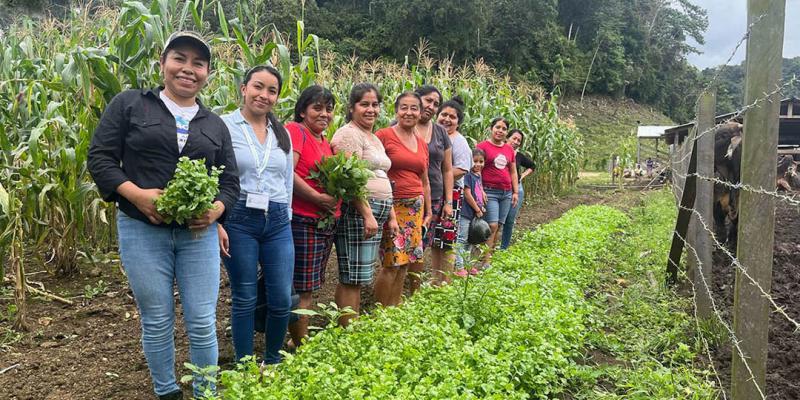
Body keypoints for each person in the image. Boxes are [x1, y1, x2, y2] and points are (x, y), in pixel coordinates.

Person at [87, 32, 239, 400]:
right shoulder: (131, 105)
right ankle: (167, 392)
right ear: (163, 63)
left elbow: (230, 182)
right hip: (142, 231)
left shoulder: (214, 124)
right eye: (180, 59)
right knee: (156, 319)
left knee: (202, 321)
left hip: (197, 237)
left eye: (198, 64)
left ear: (207, 74)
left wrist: (215, 210)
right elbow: (100, 158)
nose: (188, 69)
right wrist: (136, 195)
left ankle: (206, 392)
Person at [217, 65, 294, 366]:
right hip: (239, 217)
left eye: (272, 90)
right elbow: (215, 173)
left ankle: (273, 360)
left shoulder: (281, 132)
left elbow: (286, 180)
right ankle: (245, 364)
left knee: (281, 298)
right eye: (258, 87)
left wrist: (284, 216)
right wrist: (218, 220)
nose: (264, 95)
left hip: (276, 220)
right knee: (245, 296)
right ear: (244, 88)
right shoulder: (223, 126)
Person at [331, 83, 399, 324]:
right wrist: (367, 213)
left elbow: (383, 177)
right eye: (364, 104)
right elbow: (349, 178)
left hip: (376, 211)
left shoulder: (373, 137)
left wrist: (390, 216)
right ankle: (347, 329)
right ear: (351, 108)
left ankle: (351, 324)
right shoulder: (348, 134)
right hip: (359, 212)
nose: (371, 109)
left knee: (361, 275)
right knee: (352, 275)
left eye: (375, 104)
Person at [282, 85, 339, 346]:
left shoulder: (325, 142)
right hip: (302, 219)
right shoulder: (296, 132)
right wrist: (316, 198)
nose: (324, 114)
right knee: (302, 286)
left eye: (328, 109)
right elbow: (288, 172)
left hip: (322, 222)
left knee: (311, 284)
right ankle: (300, 344)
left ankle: (298, 338)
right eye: (317, 108)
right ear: (302, 111)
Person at [374, 92, 431, 306]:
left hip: (415, 208)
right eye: (404, 108)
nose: (409, 112)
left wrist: (429, 211)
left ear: (420, 112)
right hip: (393, 207)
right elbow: (375, 170)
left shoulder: (421, 143)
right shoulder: (384, 135)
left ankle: (394, 308)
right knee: (392, 263)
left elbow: (424, 180)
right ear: (396, 110)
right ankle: (380, 313)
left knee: (406, 262)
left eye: (414, 108)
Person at [413, 85, 453, 292]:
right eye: (428, 100)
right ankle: (403, 288)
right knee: (406, 246)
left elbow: (447, 169)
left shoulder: (440, 133)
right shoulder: (400, 126)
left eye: (436, 104)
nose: (431, 106)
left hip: (435, 197)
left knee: (422, 245)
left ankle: (415, 290)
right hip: (407, 196)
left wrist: (448, 202)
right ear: (416, 99)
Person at [434, 97, 471, 283]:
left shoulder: (459, 141)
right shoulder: (435, 135)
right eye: (444, 115)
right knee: (435, 240)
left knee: (447, 241)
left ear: (458, 122)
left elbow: (463, 168)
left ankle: (445, 282)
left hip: (452, 195)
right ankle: (436, 279)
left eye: (452, 117)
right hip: (435, 193)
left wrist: (437, 178)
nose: (447, 119)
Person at [476, 117, 518, 267]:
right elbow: (476, 170)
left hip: (506, 193)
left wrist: (515, 192)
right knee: (492, 225)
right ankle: (486, 262)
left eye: (504, 128)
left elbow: (513, 171)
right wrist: (480, 189)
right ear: (491, 128)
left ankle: (488, 254)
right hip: (490, 191)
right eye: (497, 127)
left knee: (498, 225)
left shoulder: (509, 149)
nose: (500, 131)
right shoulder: (482, 147)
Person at [500, 128, 535, 249]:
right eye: (513, 138)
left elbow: (532, 166)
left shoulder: (518, 156)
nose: (515, 142)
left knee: (509, 221)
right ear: (507, 138)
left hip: (517, 189)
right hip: (499, 189)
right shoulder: (498, 152)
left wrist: (522, 176)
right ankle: (486, 247)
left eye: (519, 140)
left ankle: (503, 248)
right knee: (495, 220)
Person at [455, 148, 487, 273]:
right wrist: (477, 209)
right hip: (466, 212)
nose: (478, 164)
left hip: (474, 212)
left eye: (481, 161)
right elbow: (467, 194)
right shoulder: (468, 175)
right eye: (475, 161)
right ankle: (459, 267)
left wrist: (481, 206)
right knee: (462, 239)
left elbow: (477, 192)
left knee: (470, 240)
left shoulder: (478, 175)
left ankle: (467, 265)